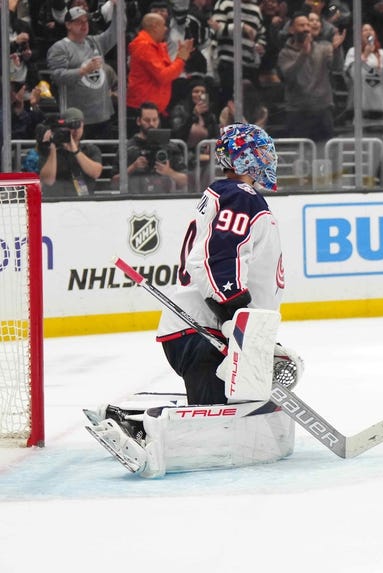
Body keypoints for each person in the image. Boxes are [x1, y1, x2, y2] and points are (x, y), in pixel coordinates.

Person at [85, 123, 299, 479]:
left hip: (204, 333)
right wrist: (237, 319)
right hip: (206, 335)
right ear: (245, 158)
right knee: (215, 431)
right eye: (262, 153)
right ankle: (140, 433)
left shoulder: (231, 195)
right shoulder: (241, 197)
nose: (269, 159)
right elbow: (217, 260)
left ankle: (127, 419)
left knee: (228, 412)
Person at [45, 0, 118, 140]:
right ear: (68, 25)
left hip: (103, 116)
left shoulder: (95, 41)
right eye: (79, 22)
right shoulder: (60, 47)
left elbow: (117, 31)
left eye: (86, 21)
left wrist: (117, 7)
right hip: (77, 119)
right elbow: (57, 76)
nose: (84, 25)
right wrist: (83, 71)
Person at [278, 12, 346, 143]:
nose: (306, 28)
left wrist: (337, 50)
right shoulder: (285, 53)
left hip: (322, 110)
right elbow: (288, 75)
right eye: (301, 25)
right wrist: (303, 54)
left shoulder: (324, 48)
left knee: (325, 155)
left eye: (307, 25)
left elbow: (337, 67)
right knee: (300, 156)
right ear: (291, 29)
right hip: (297, 112)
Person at [128, 13, 195, 121]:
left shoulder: (157, 46)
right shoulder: (144, 46)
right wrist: (181, 58)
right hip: (143, 111)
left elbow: (169, 72)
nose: (166, 29)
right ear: (154, 27)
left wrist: (181, 54)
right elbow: (163, 76)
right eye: (164, 25)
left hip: (156, 109)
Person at [36, 107, 104, 197]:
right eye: (70, 126)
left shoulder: (90, 149)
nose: (75, 130)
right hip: (56, 201)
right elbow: (48, 180)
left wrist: (76, 151)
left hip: (85, 201)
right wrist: (53, 147)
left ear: (83, 125)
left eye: (78, 125)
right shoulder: (48, 150)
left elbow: (96, 173)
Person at [126, 102, 190, 193]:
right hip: (135, 200)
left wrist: (169, 172)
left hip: (164, 200)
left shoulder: (170, 147)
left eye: (155, 120)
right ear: (138, 121)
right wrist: (133, 167)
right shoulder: (129, 148)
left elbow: (185, 181)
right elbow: (114, 182)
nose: (151, 124)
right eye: (147, 120)